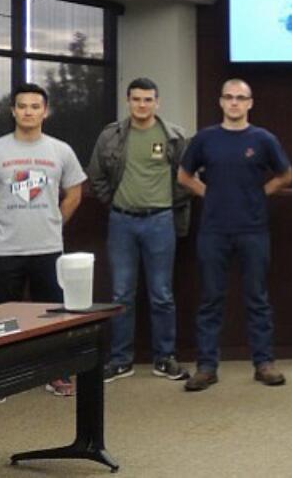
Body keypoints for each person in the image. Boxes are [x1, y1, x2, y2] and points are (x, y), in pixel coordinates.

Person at [177, 78, 292, 391]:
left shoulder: (263, 139)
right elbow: (184, 175)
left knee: (257, 299)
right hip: (214, 230)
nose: (234, 103)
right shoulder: (205, 139)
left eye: (240, 98)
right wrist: (210, 194)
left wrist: (260, 193)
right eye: (228, 97)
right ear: (220, 102)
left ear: (250, 103)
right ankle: (206, 367)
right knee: (211, 299)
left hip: (253, 229)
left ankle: (264, 363)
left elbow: (286, 174)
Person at [0, 82, 87, 398]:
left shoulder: (60, 150)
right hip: (6, 249)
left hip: (48, 248)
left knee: (52, 315)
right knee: (2, 318)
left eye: (35, 106)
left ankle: (55, 374)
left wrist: (55, 222)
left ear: (45, 111)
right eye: (22, 106)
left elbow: (75, 193)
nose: (28, 111)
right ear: (13, 111)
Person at [87, 77, 191, 384]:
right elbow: (96, 176)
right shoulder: (112, 136)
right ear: (128, 102)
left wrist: (167, 203)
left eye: (148, 100)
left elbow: (186, 177)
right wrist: (115, 201)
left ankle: (165, 358)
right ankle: (120, 360)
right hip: (122, 222)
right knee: (121, 293)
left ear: (157, 102)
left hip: (160, 221)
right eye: (136, 99)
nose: (142, 105)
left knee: (161, 294)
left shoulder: (174, 136)